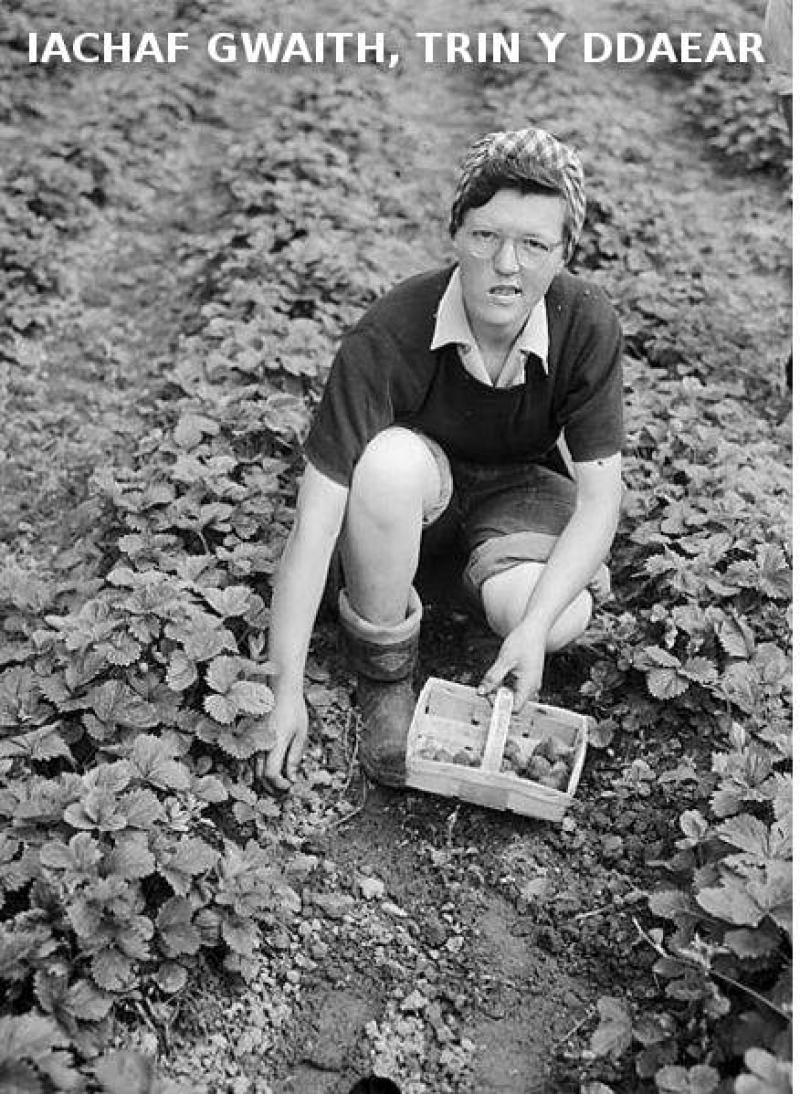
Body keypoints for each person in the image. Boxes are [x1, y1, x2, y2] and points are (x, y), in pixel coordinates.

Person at [256, 127, 624, 791]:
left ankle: (474, 605)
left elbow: (601, 500)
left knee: (560, 614)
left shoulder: (586, 320)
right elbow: (315, 521)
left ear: (564, 252)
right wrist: (283, 690)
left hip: (520, 493)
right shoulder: (391, 329)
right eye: (485, 236)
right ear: (455, 233)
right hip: (419, 500)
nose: (506, 264)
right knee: (387, 462)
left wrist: (533, 627)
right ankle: (384, 667)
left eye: (534, 245)